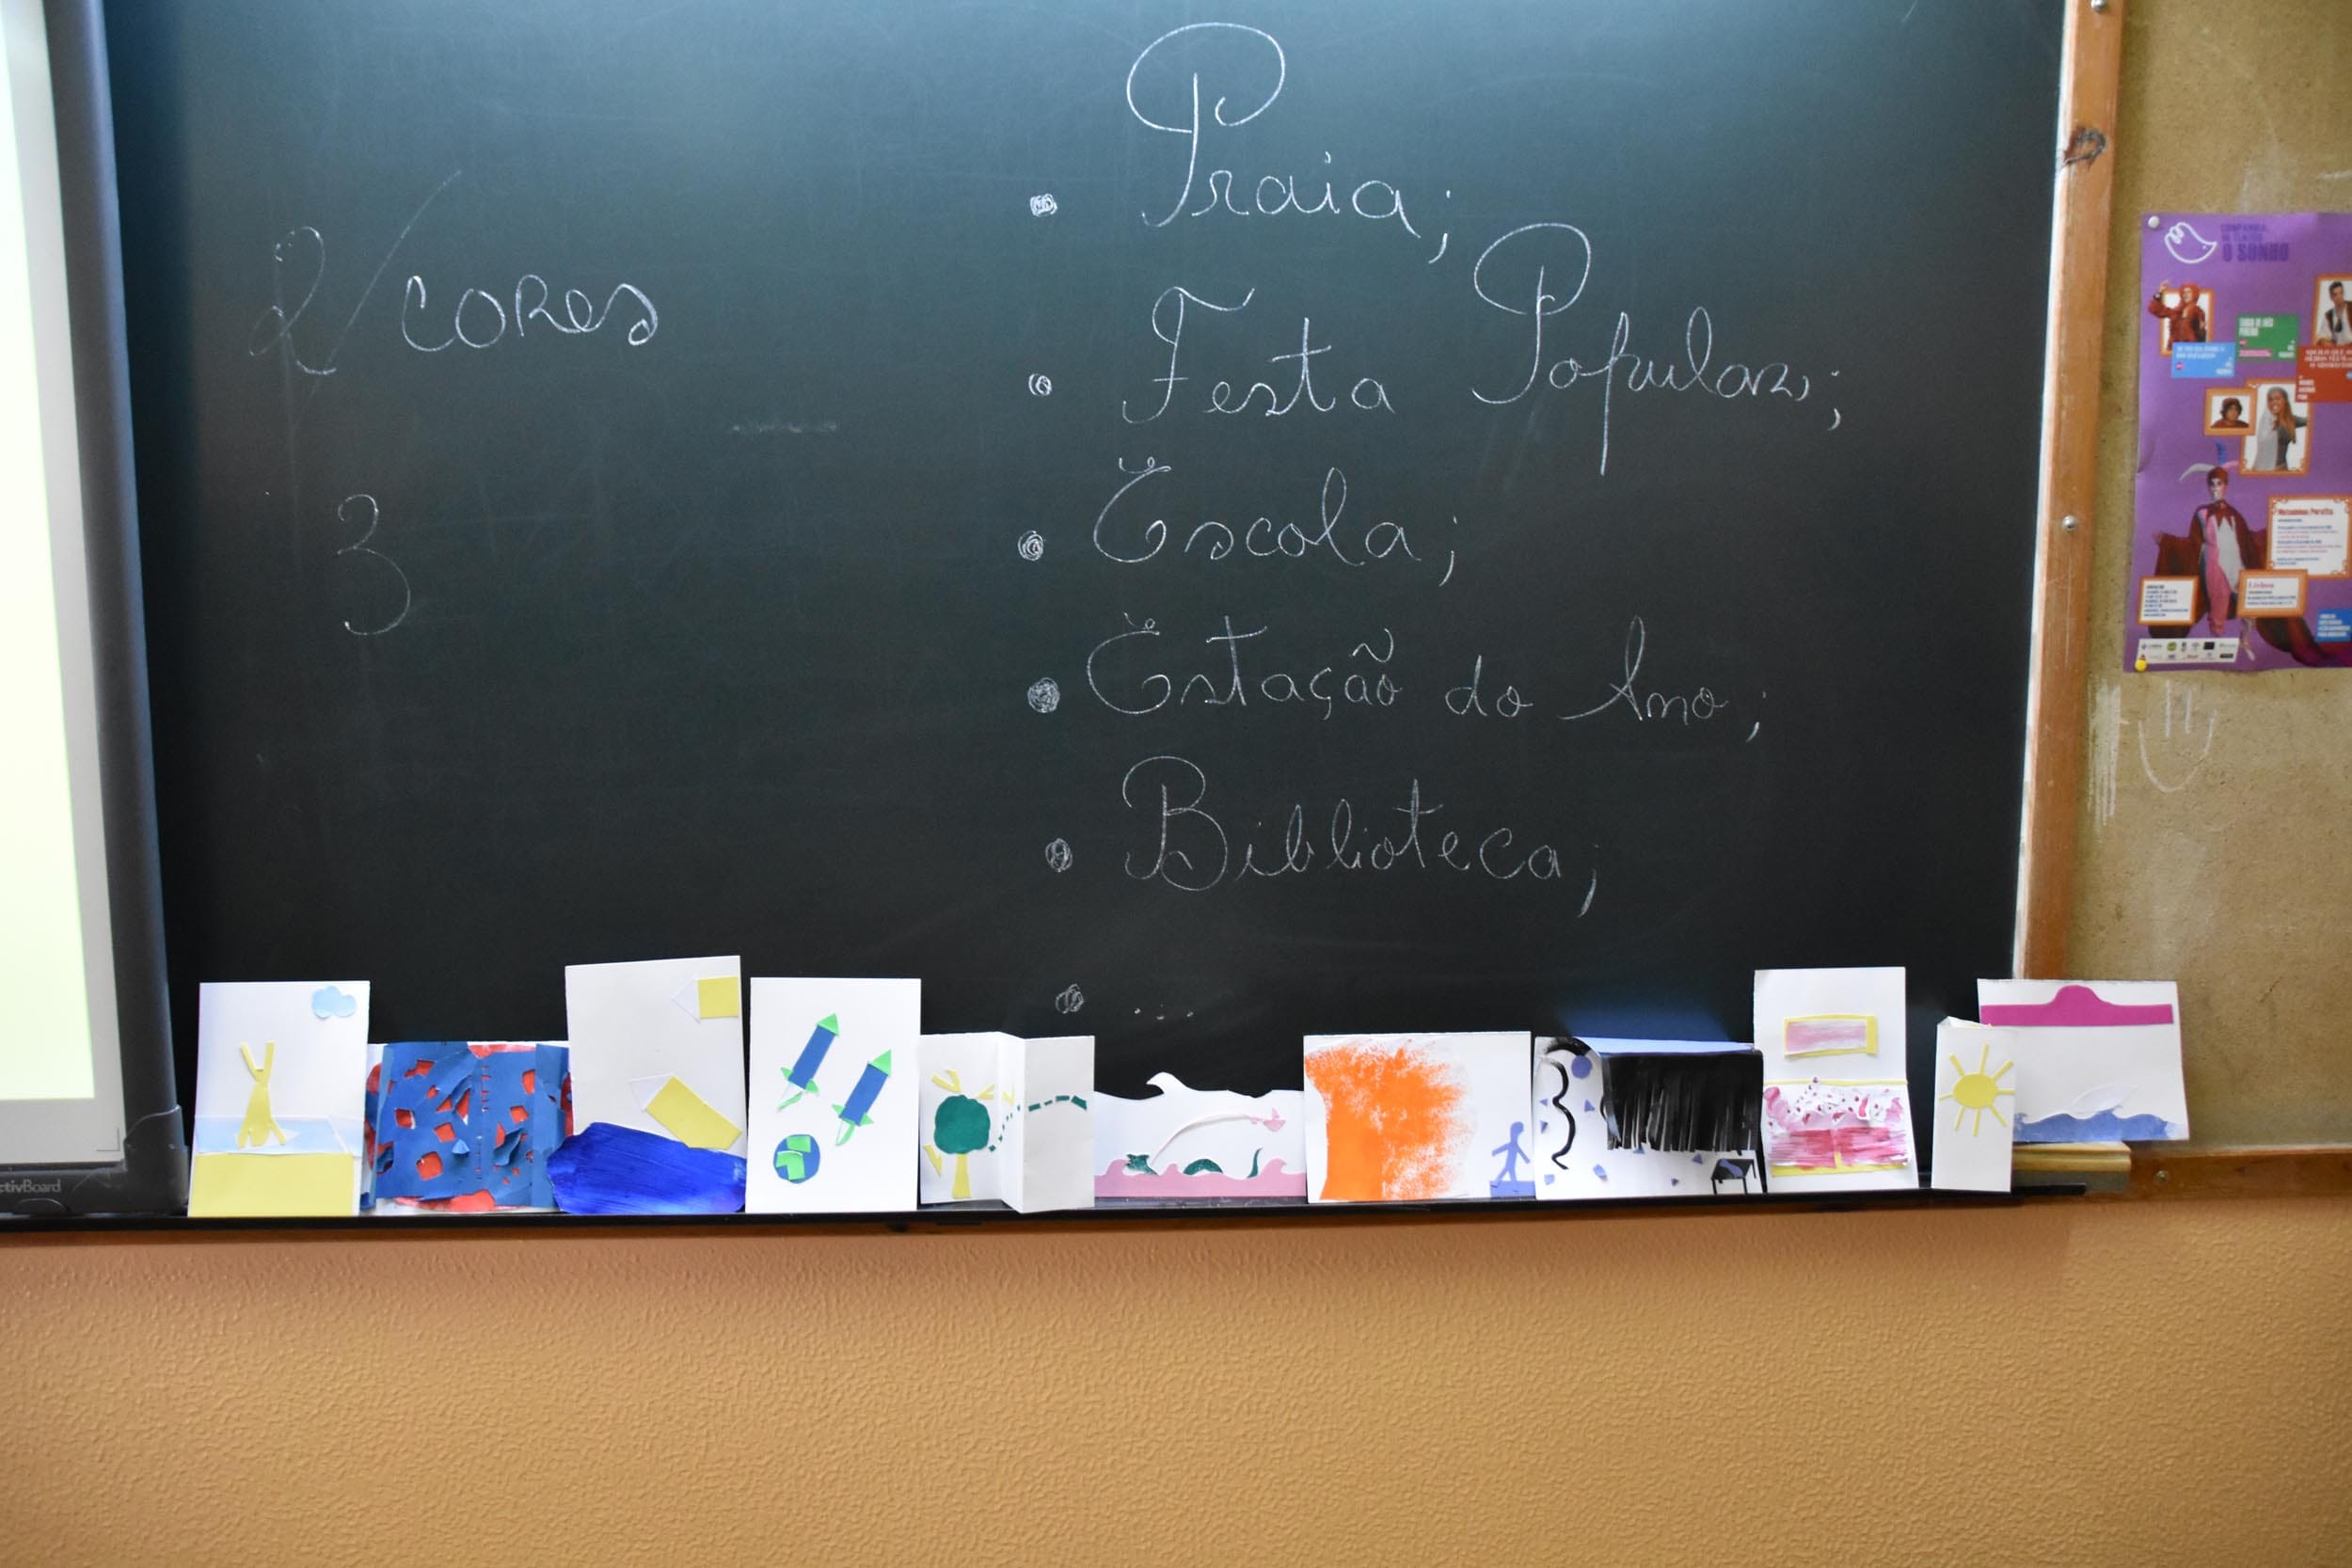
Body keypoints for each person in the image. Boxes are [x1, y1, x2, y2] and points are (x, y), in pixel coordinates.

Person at [2148, 466, 2340, 665]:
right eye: (2212, 484)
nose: (2216, 488)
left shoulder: (2234, 514)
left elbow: (2247, 539)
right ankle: (2217, 649)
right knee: (2218, 609)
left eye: (2219, 484)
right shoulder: (2202, 513)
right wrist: (2167, 541)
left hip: (2236, 566)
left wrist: (2271, 533)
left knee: (2251, 607)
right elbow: (2192, 544)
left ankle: (2244, 640)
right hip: (2213, 567)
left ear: (2226, 486)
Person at [2251, 386, 2304, 473]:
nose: (2274, 402)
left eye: (2277, 399)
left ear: (2285, 400)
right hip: (2261, 470)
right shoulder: (2265, 421)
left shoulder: (2291, 420)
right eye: (2270, 400)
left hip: (2281, 469)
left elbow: (2313, 420)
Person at [2148, 281, 2209, 349]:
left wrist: (2202, 330)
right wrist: (2160, 292)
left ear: (2194, 294)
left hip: (2190, 350)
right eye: (2184, 292)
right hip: (2174, 349)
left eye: (2188, 292)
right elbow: (2155, 309)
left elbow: (2201, 339)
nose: (2185, 294)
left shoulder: (2199, 312)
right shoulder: (2177, 311)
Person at [2319, 280, 2352, 346]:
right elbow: (2323, 337)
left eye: (2341, 293)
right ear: (2331, 297)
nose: (2339, 297)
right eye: (2335, 294)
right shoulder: (2329, 315)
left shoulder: (2350, 307)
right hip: (2339, 350)